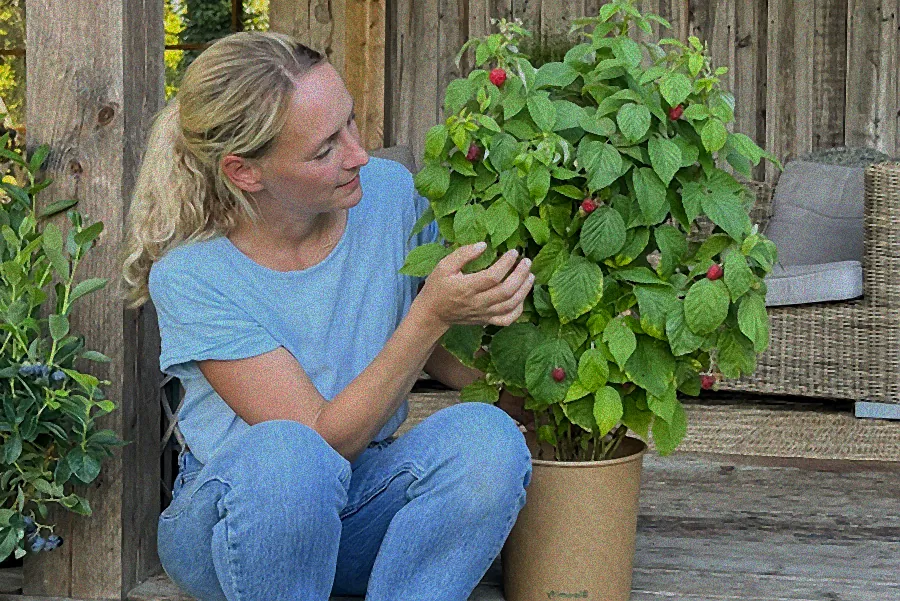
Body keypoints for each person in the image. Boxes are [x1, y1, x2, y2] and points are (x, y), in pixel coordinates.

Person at [121, 31, 536, 600]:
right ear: (245, 172)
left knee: (488, 439)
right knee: (290, 455)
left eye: (351, 123)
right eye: (324, 150)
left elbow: (435, 350)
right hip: (240, 526)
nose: (359, 154)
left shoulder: (388, 195)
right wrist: (430, 314)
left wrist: (543, 399)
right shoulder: (194, 276)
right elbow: (320, 440)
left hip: (360, 503)